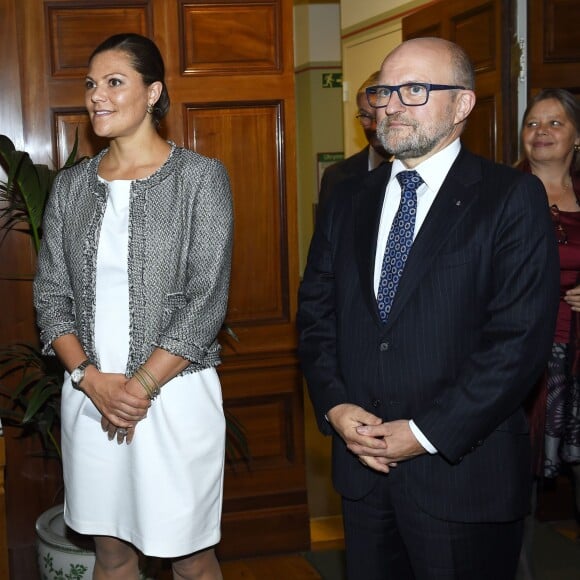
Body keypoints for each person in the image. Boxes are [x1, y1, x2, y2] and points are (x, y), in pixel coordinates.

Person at [297, 37, 560, 580]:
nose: (390, 104)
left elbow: (518, 343)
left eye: (414, 89)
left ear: (462, 104)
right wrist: (336, 407)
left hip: (464, 474)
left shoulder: (510, 197)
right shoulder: (348, 197)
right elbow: (317, 315)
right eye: (384, 90)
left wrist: (422, 433)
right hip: (363, 474)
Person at [33, 33, 233, 580]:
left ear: (153, 93)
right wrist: (91, 380)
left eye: (115, 82)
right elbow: (51, 296)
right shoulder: (71, 187)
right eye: (92, 84)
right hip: (90, 400)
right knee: (112, 554)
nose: (97, 95)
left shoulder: (200, 178)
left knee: (191, 556)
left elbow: (205, 300)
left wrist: (139, 387)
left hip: (174, 396)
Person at [517, 88, 580, 545]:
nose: (541, 132)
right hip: (527, 362)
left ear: (577, 136)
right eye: (532, 123)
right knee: (515, 489)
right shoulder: (497, 193)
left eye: (555, 123)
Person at [318, 71, 391, 209]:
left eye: (380, 115)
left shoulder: (419, 172)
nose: (374, 126)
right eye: (365, 115)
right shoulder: (335, 177)